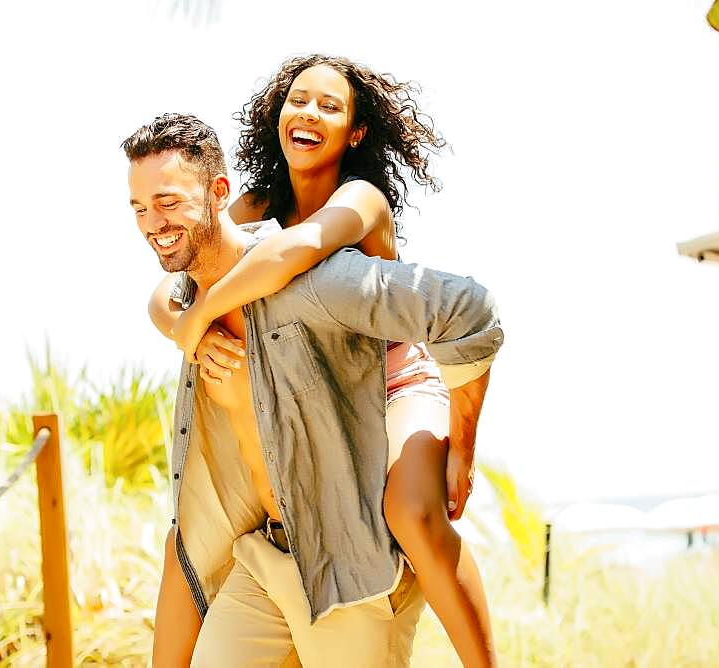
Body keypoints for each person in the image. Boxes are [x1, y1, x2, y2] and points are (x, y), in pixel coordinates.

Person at [150, 55, 498, 666]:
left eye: (330, 106)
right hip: (317, 393)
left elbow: (296, 251)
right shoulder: (258, 204)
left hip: (393, 381)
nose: (309, 113)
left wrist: (200, 316)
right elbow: (170, 288)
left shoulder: (360, 199)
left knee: (410, 514)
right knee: (204, 521)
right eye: (298, 100)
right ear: (277, 115)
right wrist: (186, 327)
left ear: (354, 133)